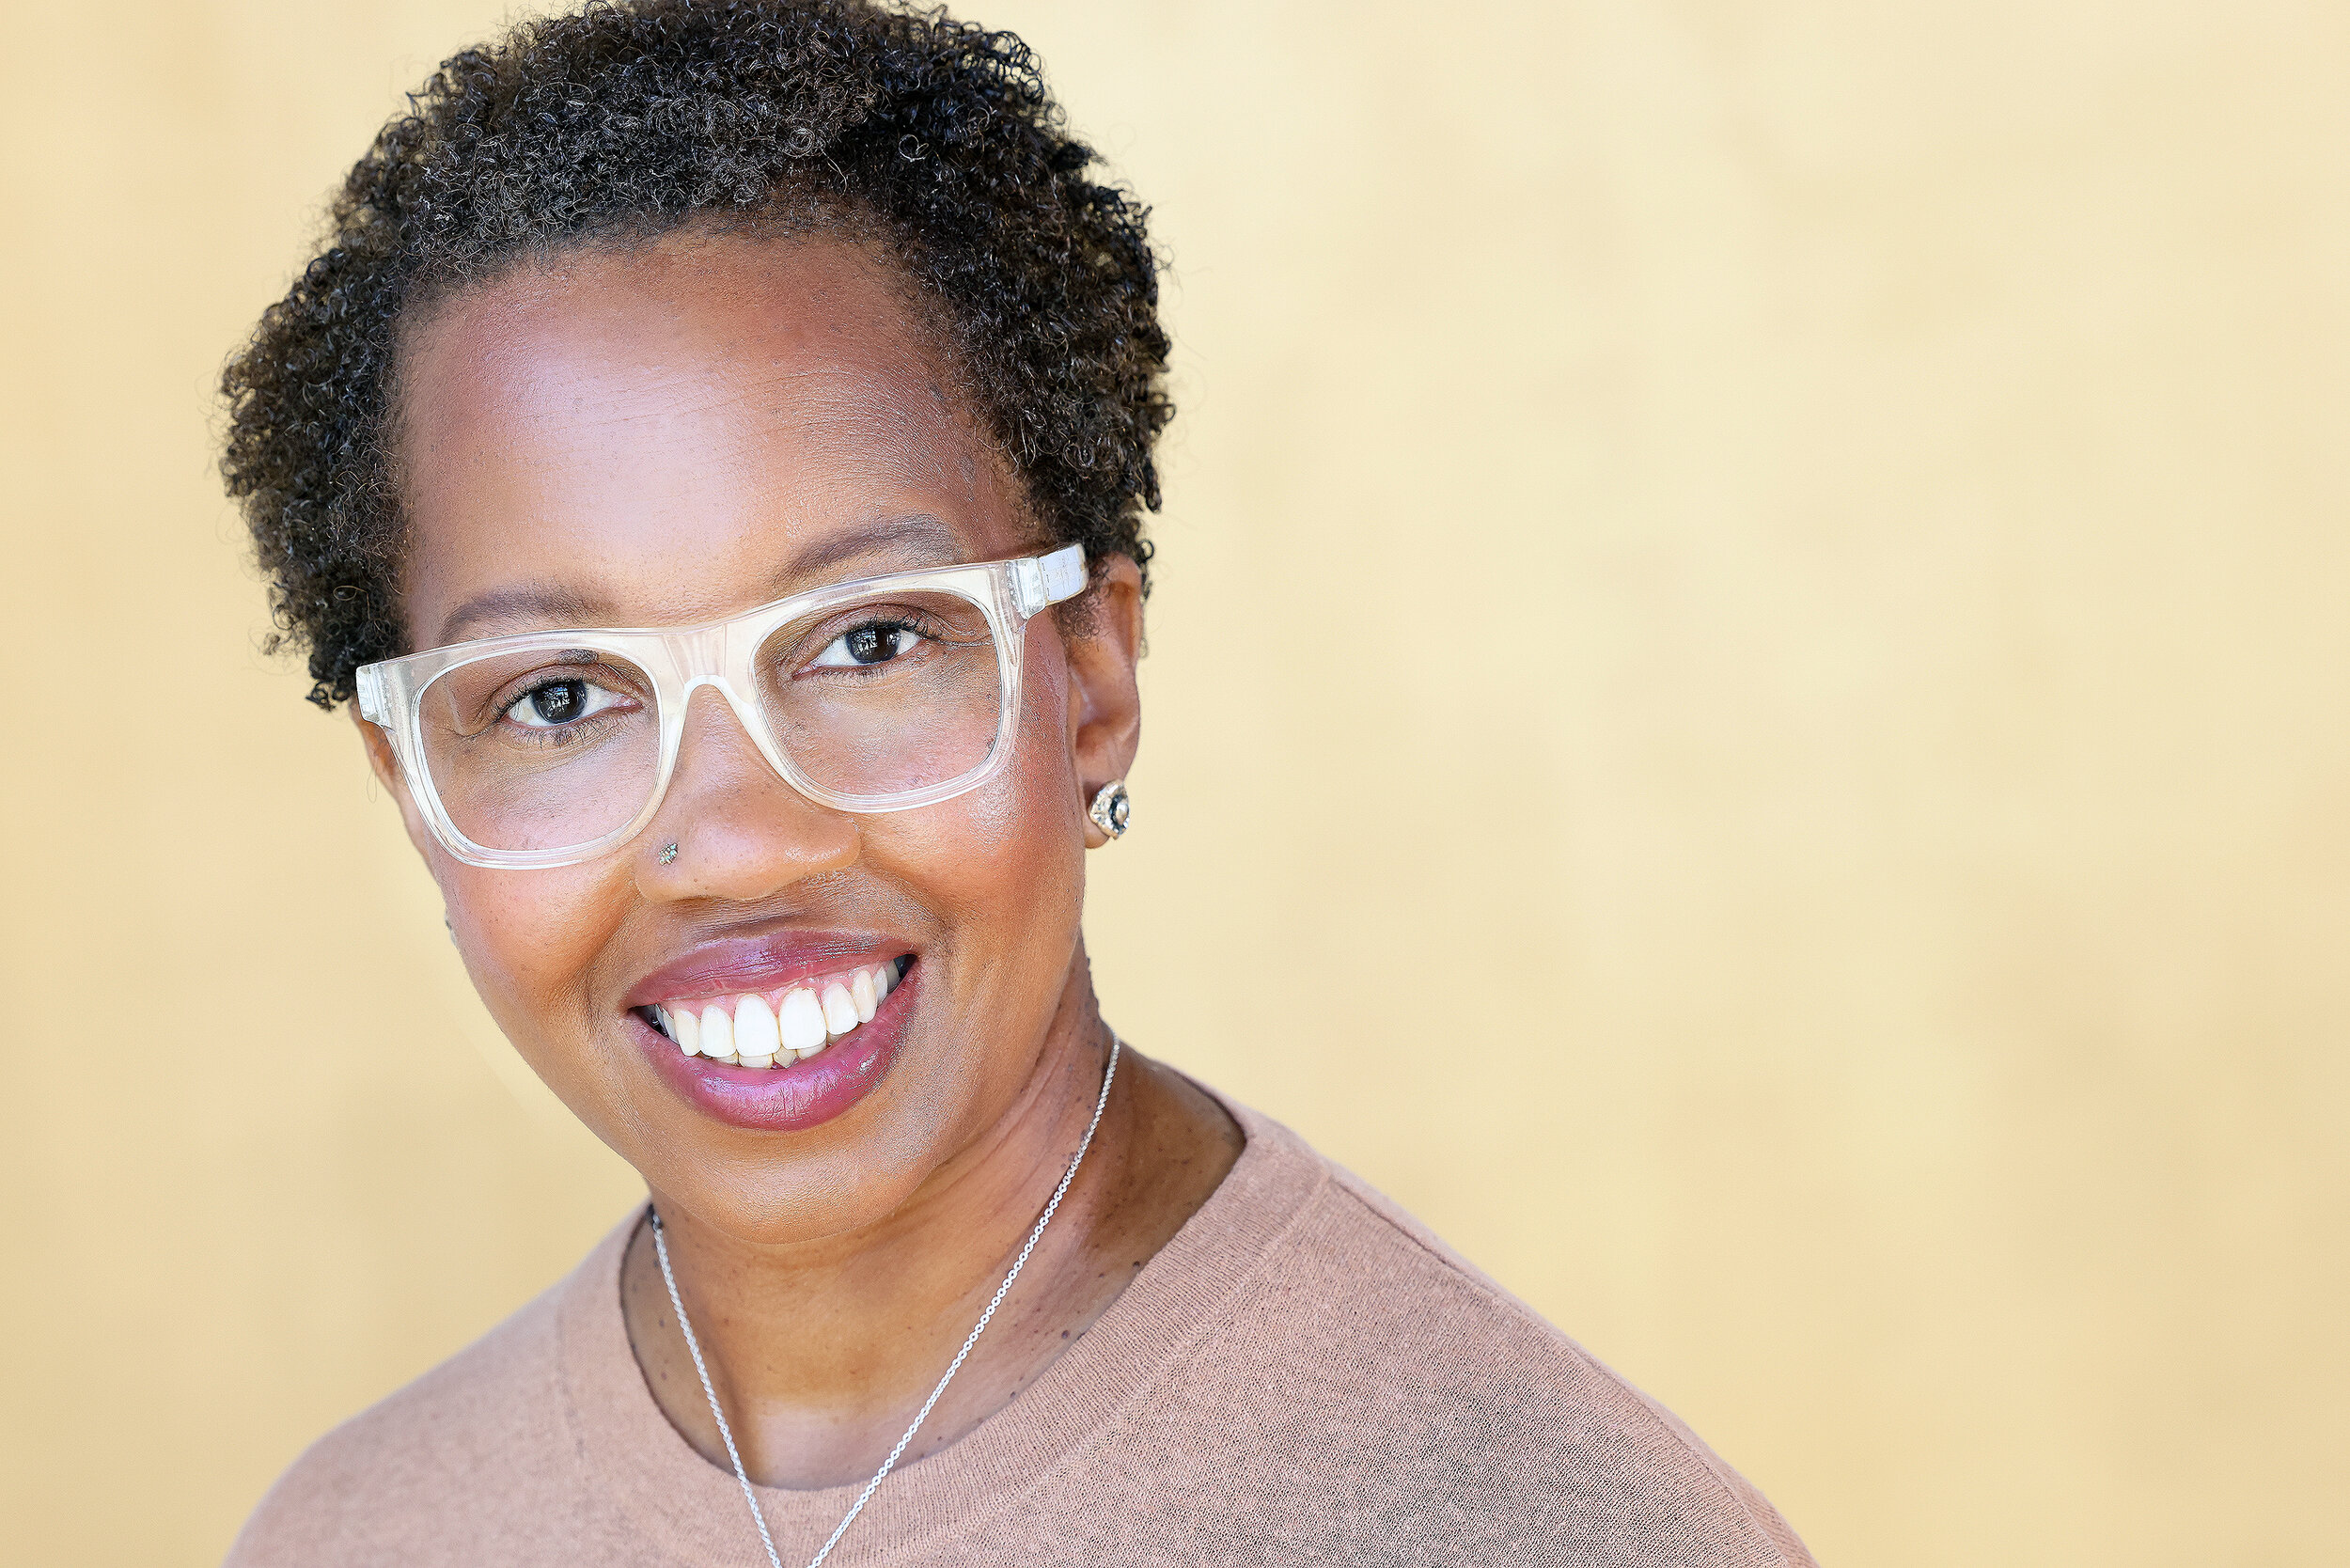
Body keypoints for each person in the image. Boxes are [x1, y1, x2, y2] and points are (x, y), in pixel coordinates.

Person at [217, 3, 1813, 1563]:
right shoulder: (358, 1531)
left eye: (868, 643)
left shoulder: (1532, 1524)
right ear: (415, 783)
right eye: (559, 697)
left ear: (1093, 681)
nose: (740, 845)